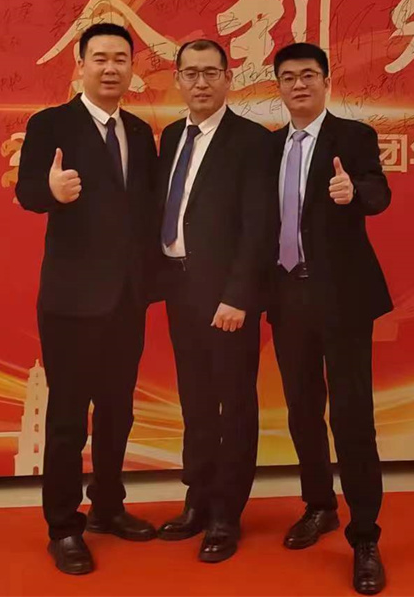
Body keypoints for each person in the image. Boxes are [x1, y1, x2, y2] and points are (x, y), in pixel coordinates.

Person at [16, 22, 159, 575]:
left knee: (118, 411)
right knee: (68, 418)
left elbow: (145, 212)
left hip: (126, 299)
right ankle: (63, 527)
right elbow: (27, 190)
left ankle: (108, 506)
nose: (110, 68)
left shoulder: (139, 132)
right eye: (99, 58)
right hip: (71, 301)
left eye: (120, 58)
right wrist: (50, 192)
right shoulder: (50, 124)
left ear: (132, 68)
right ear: (79, 65)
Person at [267, 42, 392, 595]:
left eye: (308, 75)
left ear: (326, 82)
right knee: (301, 410)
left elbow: (379, 193)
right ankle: (319, 505)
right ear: (277, 86)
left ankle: (365, 537)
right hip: (287, 297)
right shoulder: (268, 147)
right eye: (289, 77)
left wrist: (353, 191)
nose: (299, 85)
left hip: (342, 300)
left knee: (351, 415)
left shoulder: (353, 137)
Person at [153, 39, 275, 562]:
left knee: (234, 404)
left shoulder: (252, 141)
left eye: (210, 72)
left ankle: (227, 514)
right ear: (177, 80)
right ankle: (198, 499)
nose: (200, 83)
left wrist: (239, 296)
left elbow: (259, 227)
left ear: (229, 78)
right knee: (196, 401)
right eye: (190, 73)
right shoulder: (170, 137)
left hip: (227, 300)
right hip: (179, 289)